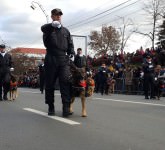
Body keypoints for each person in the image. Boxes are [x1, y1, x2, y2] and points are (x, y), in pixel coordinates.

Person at [41, 8, 75, 117]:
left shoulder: (66, 31)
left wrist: (71, 52)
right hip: (51, 58)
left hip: (63, 59)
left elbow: (70, 43)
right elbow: (43, 28)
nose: (58, 16)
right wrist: (52, 25)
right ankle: (51, 106)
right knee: (50, 84)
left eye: (60, 15)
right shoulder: (48, 29)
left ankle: (66, 108)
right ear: (52, 17)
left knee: (65, 83)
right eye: (56, 15)